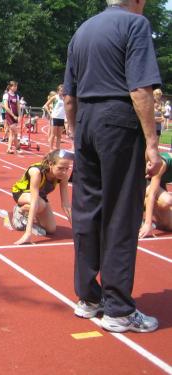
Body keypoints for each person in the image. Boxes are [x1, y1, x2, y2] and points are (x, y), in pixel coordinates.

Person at [64, 0, 162, 333]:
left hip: (88, 121)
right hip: (118, 120)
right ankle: (119, 308)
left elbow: (68, 96)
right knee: (121, 213)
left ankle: (89, 299)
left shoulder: (81, 31)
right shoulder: (135, 25)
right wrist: (151, 143)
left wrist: (78, 134)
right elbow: (139, 88)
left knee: (87, 210)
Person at [11, 150, 72, 245]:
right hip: (22, 193)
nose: (64, 172)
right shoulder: (36, 172)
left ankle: (30, 217)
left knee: (51, 229)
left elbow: (66, 205)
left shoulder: (63, 176)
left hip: (40, 198)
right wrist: (28, 233)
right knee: (40, 205)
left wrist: (77, 230)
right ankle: (20, 210)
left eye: (67, 168)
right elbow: (35, 201)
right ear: (51, 164)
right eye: (60, 168)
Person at [139, 152, 172, 238]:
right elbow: (152, 194)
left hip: (158, 186)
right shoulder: (163, 163)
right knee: (167, 200)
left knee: (169, 225)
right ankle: (135, 208)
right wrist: (148, 223)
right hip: (144, 182)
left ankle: (159, 218)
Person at [43, 84, 66, 151]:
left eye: (63, 91)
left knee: (59, 135)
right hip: (55, 117)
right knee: (53, 135)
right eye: (61, 91)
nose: (62, 92)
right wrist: (50, 114)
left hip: (61, 118)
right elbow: (45, 105)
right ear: (58, 91)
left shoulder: (65, 98)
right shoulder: (55, 97)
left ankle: (57, 149)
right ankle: (51, 149)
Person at [3, 81, 22, 154]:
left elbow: (18, 106)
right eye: (14, 86)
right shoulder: (6, 95)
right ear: (10, 87)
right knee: (16, 132)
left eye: (16, 86)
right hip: (9, 116)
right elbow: (6, 107)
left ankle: (9, 149)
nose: (15, 87)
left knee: (12, 133)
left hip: (16, 116)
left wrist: (19, 115)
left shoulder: (17, 96)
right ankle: (17, 147)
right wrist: (13, 115)